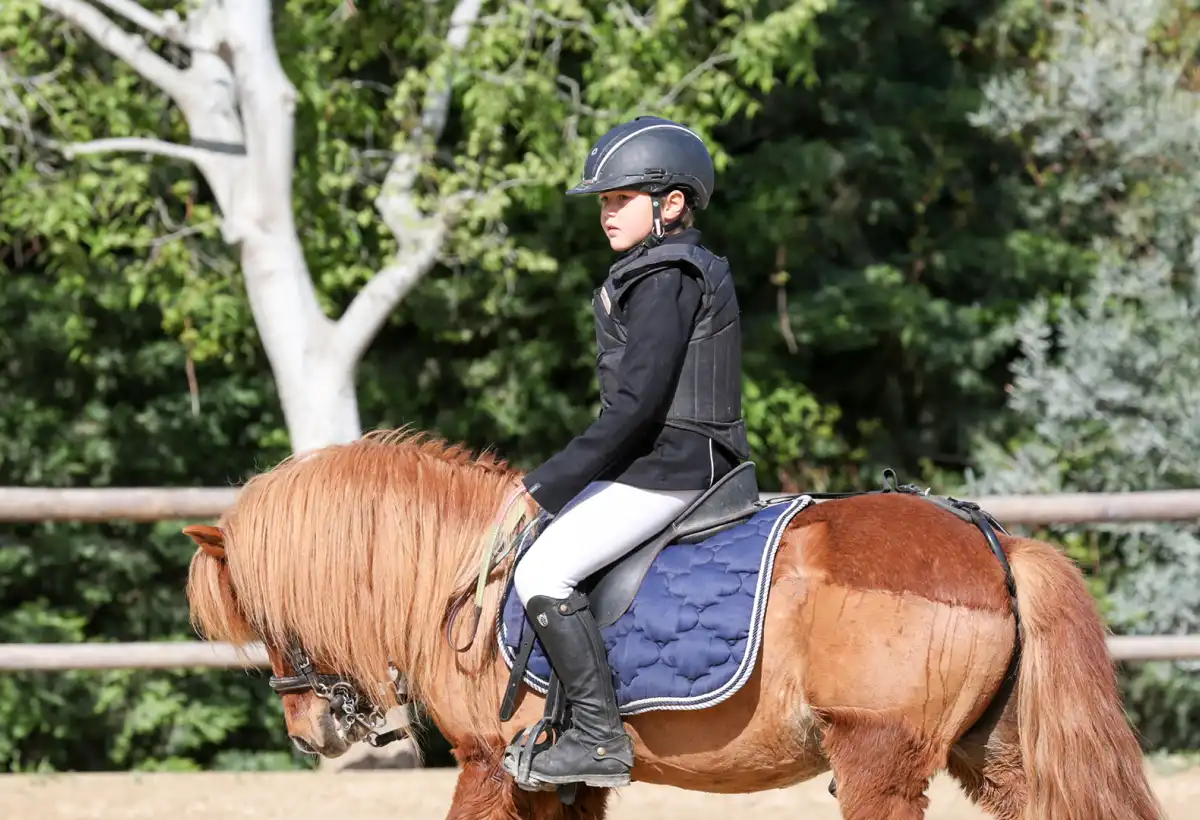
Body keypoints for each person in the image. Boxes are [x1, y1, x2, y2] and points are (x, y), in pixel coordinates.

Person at [507, 115, 750, 789]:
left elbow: (636, 408)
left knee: (543, 570)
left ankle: (596, 738)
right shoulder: (655, 269)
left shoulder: (666, 273)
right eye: (604, 201)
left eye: (621, 199)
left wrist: (544, 485)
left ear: (671, 204)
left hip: (673, 467)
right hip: (666, 461)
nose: (607, 213)